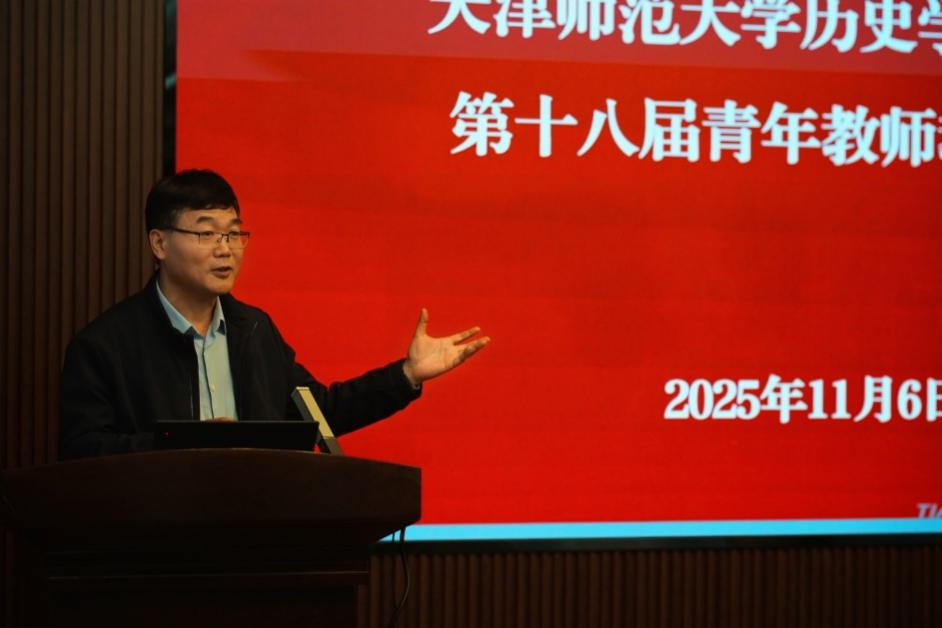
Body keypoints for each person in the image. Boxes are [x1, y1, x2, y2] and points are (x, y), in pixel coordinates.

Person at [58, 169, 489, 459]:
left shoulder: (254, 331)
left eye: (234, 234)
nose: (226, 249)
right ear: (159, 244)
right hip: (153, 549)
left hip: (255, 538)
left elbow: (317, 412)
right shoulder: (106, 345)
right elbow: (83, 450)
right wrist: (187, 446)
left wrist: (406, 375)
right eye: (206, 234)